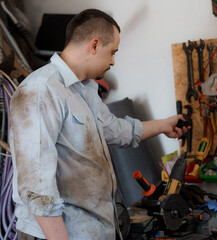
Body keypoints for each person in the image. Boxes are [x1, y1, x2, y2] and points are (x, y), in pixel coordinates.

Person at [9, 8, 188, 240]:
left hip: (93, 229)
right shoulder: (41, 90)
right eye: (112, 52)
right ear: (94, 45)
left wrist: (164, 125)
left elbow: (115, 131)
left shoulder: (86, 89)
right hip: (56, 234)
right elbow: (36, 184)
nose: (113, 61)